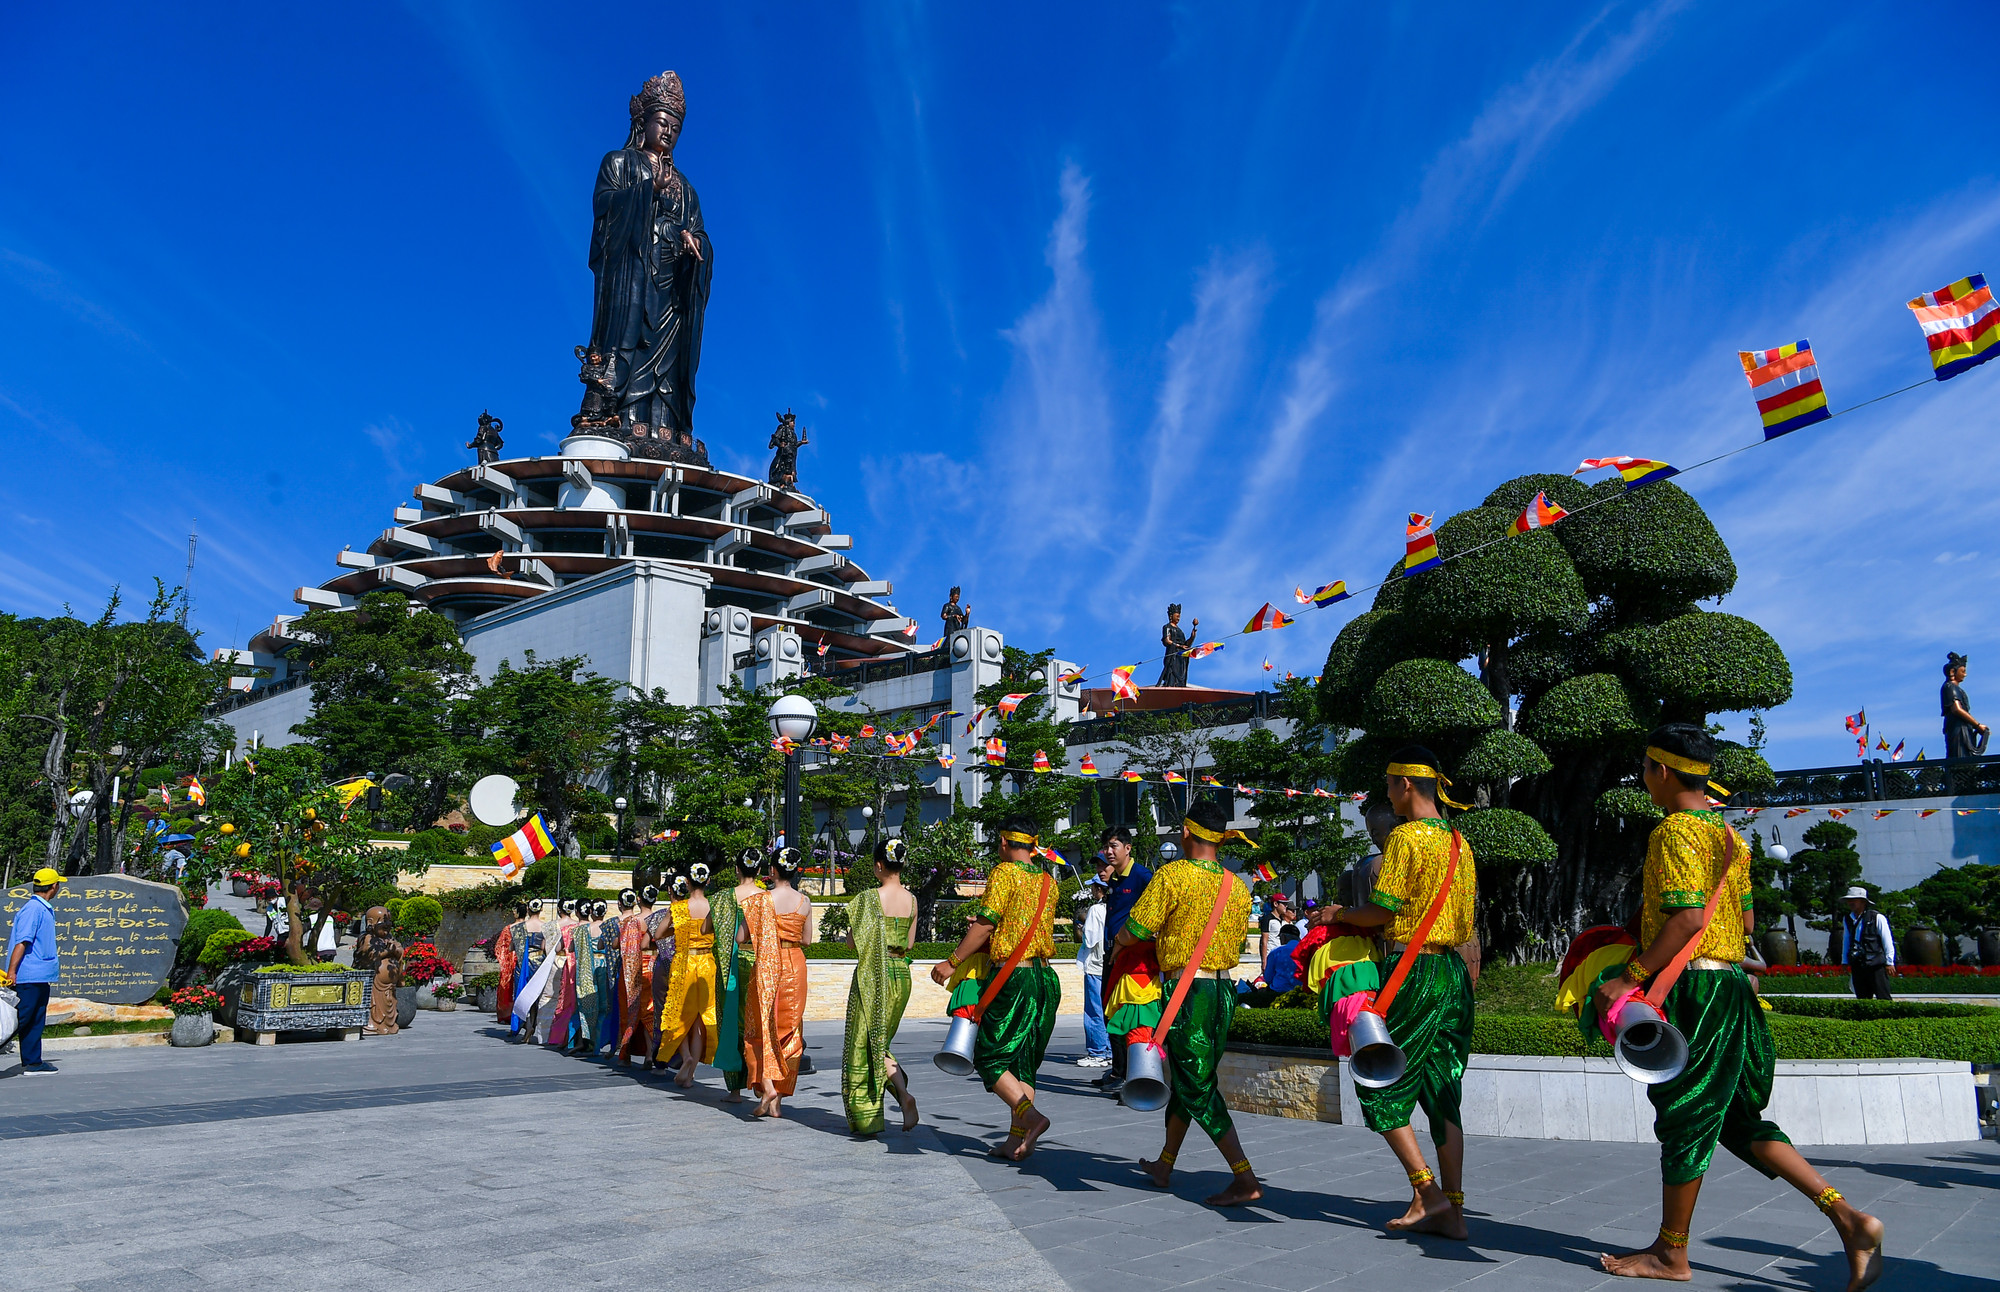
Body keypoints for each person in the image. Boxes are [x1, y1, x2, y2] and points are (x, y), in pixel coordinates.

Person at [1594, 724, 1883, 1288]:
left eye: (1647, 770)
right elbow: (1745, 922)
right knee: (1733, 1118)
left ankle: (1672, 1255)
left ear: (1663, 772)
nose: (1646, 780)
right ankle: (1848, 1219)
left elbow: (1688, 919)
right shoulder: (1732, 838)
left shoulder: (1674, 830)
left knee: (1685, 1116)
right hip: (1729, 988)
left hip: (1694, 991)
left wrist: (1630, 974)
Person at [1310, 746, 1477, 1239]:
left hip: (1412, 971)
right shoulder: (1458, 841)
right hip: (1452, 972)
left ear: (1406, 785)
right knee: (1443, 1090)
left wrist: (1336, 914)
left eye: (1387, 782)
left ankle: (1428, 1194)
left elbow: (1382, 912)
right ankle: (1456, 1209)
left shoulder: (1405, 839)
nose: (1385, 792)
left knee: (1377, 1082)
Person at [1110, 798, 1260, 1205]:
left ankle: (1244, 1177)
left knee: (1196, 1085)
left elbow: (1137, 927)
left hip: (1186, 992)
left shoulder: (1173, 875)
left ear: (1188, 832)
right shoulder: (1238, 884)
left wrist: (1117, 944)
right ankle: (1165, 1163)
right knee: (1189, 1081)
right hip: (1223, 991)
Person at [931, 814, 1063, 1161]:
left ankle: (1031, 1118)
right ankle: (1016, 1140)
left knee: (988, 1056)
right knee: (1023, 1063)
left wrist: (952, 961)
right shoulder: (1050, 880)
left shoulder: (1004, 872)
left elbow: (987, 924)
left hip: (1015, 978)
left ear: (1004, 843)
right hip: (1045, 978)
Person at [842, 838, 921, 1136]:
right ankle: (902, 1095)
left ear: (878, 865)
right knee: (881, 1041)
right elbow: (910, 943)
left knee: (866, 1044)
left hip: (874, 976)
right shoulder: (913, 900)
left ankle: (890, 1103)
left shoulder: (868, 899)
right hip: (901, 974)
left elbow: (853, 943)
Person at [741, 847, 810, 1117]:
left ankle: (766, 1084)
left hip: (768, 965)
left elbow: (740, 937)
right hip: (794, 964)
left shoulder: (761, 900)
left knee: (760, 1026)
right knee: (790, 1030)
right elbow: (806, 939)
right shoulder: (804, 901)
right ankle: (778, 1099)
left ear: (772, 870)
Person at [1098, 826, 1154, 1095]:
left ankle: (1133, 1074)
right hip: (1113, 953)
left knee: (1129, 1013)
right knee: (1109, 1008)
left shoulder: (1143, 876)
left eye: (1114, 846)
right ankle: (1119, 1069)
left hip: (1135, 957)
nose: (1109, 851)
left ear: (1128, 848)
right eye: (1106, 847)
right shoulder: (1115, 879)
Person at [661, 862, 719, 1089]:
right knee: (699, 1020)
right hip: (706, 964)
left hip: (684, 964)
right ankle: (691, 1071)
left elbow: (658, 934)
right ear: (708, 881)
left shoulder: (679, 908)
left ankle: (686, 1057)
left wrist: (677, 928)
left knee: (679, 1015)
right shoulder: (713, 906)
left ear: (687, 882)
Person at [710, 849, 762, 1102]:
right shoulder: (767, 897)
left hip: (731, 965)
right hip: (761, 965)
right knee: (758, 1022)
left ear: (737, 869)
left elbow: (705, 927)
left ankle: (735, 1090)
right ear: (760, 871)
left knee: (731, 1022)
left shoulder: (722, 899)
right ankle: (762, 1082)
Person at [4, 868, 63, 1073]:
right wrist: (12, 972)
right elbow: (22, 941)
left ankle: (32, 1061)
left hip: (40, 975)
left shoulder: (43, 908)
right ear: (54, 886)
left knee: (35, 1019)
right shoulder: (33, 909)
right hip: (27, 975)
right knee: (17, 1020)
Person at [1835, 886, 1896, 1001]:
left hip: (1875, 963)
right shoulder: (1847, 919)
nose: (1850, 902)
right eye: (1849, 900)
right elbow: (1847, 941)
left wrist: (1889, 962)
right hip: (1858, 963)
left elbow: (1887, 940)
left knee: (1883, 996)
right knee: (1862, 997)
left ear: (1863, 901)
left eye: (1854, 899)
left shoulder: (1877, 917)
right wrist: (1844, 961)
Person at [1076, 877, 1113, 1068]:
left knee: (1094, 1010)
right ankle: (1108, 1050)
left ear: (1100, 889)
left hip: (1094, 964)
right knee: (1107, 1009)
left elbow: (1089, 940)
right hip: (1109, 964)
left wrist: (1081, 929)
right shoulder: (1114, 908)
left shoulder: (1096, 910)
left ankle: (1097, 1051)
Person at [616, 887, 655, 1064]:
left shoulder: (632, 922)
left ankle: (627, 1051)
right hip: (656, 965)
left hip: (637, 967)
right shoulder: (660, 918)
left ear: (639, 899)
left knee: (631, 1009)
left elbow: (619, 945)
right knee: (652, 1011)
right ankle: (650, 1053)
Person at [354, 906, 405, 1037]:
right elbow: (368, 956)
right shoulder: (367, 938)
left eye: (389, 921)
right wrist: (388, 952)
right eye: (383, 921)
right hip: (375, 984)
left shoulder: (389, 938)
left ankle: (388, 1025)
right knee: (375, 1006)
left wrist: (398, 951)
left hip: (389, 985)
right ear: (371, 922)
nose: (387, 925)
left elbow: (399, 951)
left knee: (388, 1004)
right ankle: (373, 1025)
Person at [510, 899, 547, 1042]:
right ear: (541, 909)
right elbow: (545, 948)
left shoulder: (518, 927)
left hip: (523, 963)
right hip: (538, 963)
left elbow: (511, 948)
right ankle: (533, 1023)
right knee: (535, 996)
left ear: (528, 910)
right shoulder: (545, 927)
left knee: (522, 995)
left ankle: (527, 1024)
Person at [1943, 653, 1988, 759]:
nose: (1965, 674)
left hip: (1965, 727)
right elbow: (1957, 709)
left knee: (1966, 755)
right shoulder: (1949, 687)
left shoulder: (1957, 689)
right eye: (1963, 671)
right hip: (1957, 728)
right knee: (1959, 755)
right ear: (1952, 672)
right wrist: (1977, 725)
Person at [494, 900, 526, 1024]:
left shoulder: (509, 928)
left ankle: (507, 1014)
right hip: (526, 960)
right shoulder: (529, 927)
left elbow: (500, 947)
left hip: (510, 960)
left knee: (507, 987)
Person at [1262, 924, 1302, 994]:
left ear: (1283, 937)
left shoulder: (1276, 952)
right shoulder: (1307, 951)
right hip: (1303, 992)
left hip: (1279, 992)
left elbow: (1268, 977)